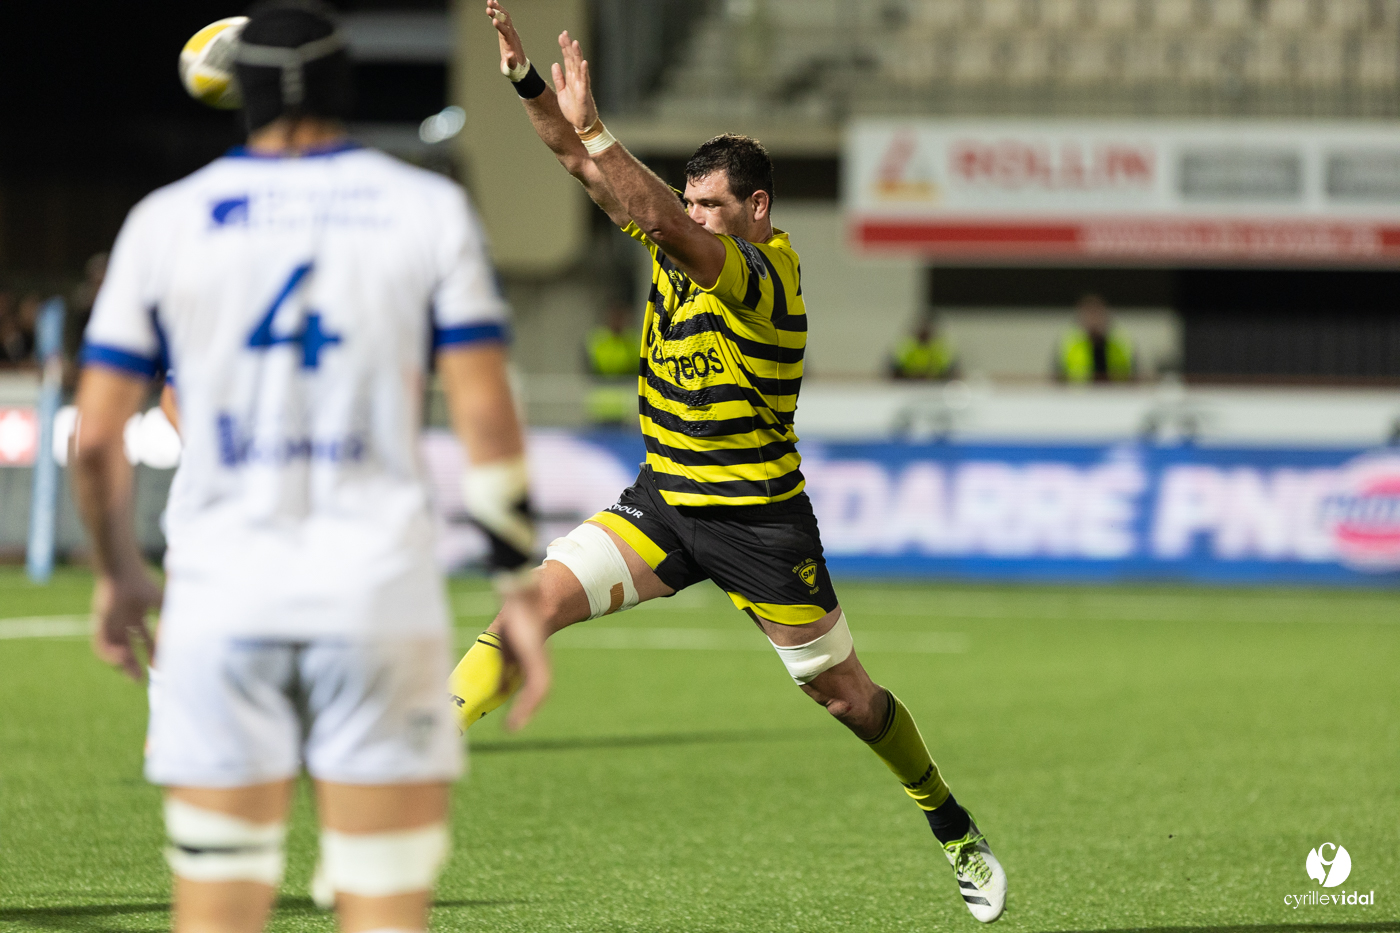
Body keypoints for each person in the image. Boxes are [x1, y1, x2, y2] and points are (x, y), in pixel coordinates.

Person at [446, 2, 1008, 923]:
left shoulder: (765, 274)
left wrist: (598, 132)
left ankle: (948, 819)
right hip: (663, 503)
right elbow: (580, 166)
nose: (698, 216)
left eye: (715, 204)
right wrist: (528, 85)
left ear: (758, 209)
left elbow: (653, 214)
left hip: (757, 522)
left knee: (847, 699)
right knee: (534, 598)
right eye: (692, 199)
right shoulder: (677, 241)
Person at [68, 4, 550, 933]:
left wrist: (119, 572)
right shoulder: (426, 208)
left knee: (218, 905)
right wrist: (517, 588)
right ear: (346, 86)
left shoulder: (164, 222)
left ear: (235, 94)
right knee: (382, 905)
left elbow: (95, 438)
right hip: (375, 600)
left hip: (219, 601)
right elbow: (488, 414)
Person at [1055, 293, 1135, 383]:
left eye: (1097, 313)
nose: (1093, 319)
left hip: (1116, 394)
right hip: (1078, 395)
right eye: (1089, 314)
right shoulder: (1069, 342)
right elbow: (1057, 378)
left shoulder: (1119, 342)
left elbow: (1134, 375)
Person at [584, 301, 640, 424]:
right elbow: (595, 368)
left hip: (627, 408)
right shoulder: (598, 340)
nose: (617, 321)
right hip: (601, 406)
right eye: (614, 317)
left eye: (620, 317)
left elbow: (636, 368)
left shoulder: (633, 341)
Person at [890, 317, 957, 380]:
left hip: (934, 387)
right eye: (921, 330)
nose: (924, 332)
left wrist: (931, 376)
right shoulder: (908, 348)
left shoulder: (939, 349)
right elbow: (896, 368)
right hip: (910, 386)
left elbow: (948, 370)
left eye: (926, 330)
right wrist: (912, 375)